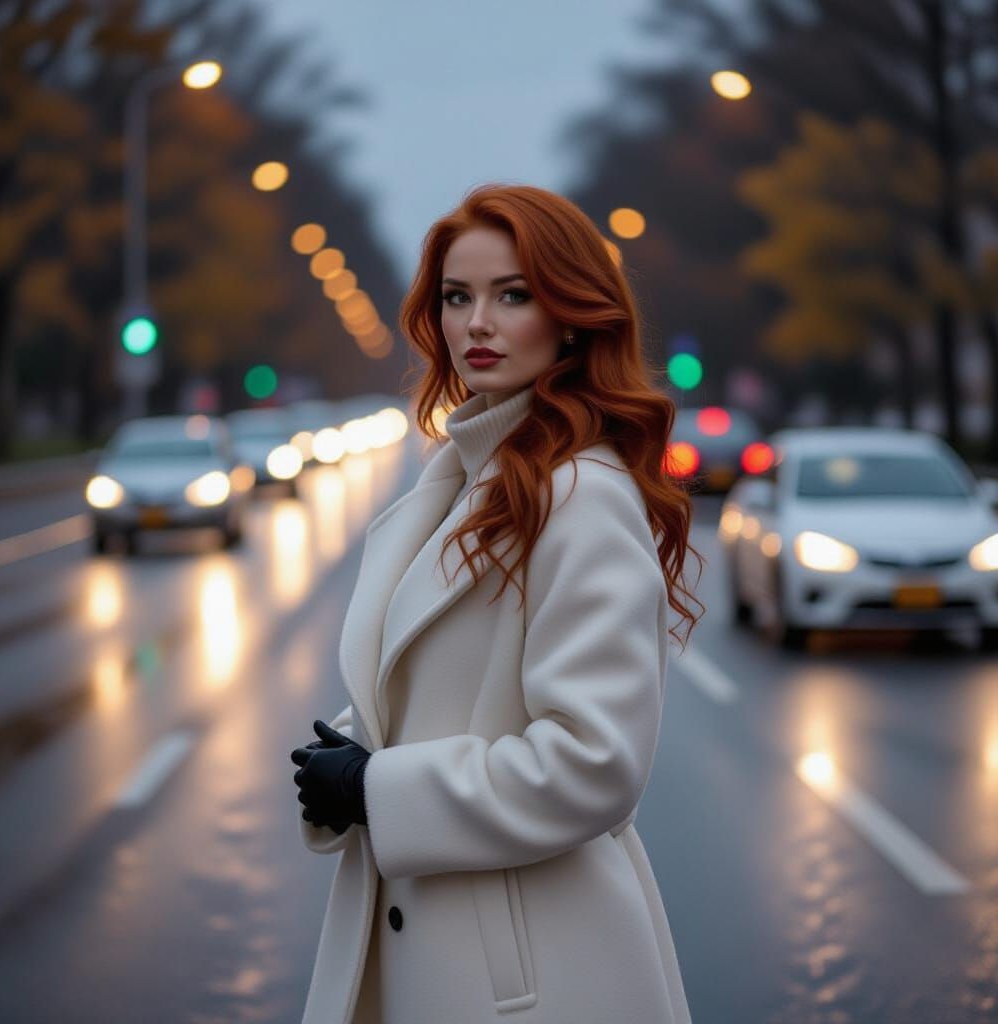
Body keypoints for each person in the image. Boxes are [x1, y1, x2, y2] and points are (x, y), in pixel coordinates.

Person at [290, 183, 703, 1024]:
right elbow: (449, 692)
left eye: (513, 295)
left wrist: (377, 788)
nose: (477, 322)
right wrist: (354, 750)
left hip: (538, 975)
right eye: (457, 296)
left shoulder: (579, 491)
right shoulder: (464, 478)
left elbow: (596, 761)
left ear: (572, 315)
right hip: (455, 950)